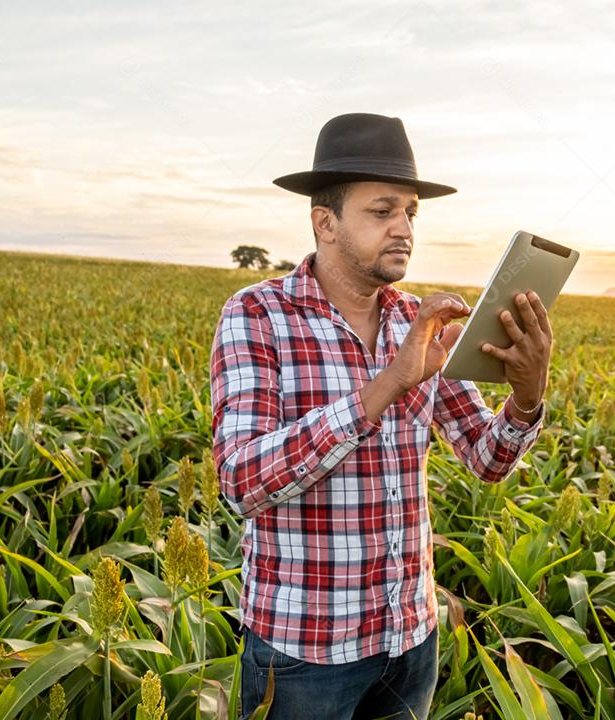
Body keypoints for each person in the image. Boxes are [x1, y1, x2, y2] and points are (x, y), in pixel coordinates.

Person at [210, 113, 553, 719]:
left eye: (411, 212)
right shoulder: (257, 315)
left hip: (409, 640)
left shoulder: (414, 318)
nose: (404, 229)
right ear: (326, 222)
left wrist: (526, 397)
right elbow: (241, 482)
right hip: (304, 652)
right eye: (382, 211)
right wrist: (388, 384)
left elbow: (486, 457)